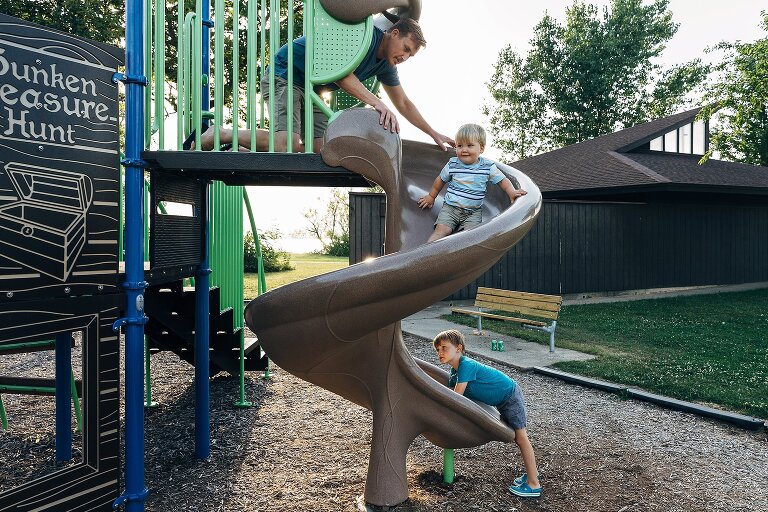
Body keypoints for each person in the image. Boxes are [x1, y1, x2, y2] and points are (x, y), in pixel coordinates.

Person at [192, 17, 454, 153]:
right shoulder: (362, 36)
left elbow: (404, 103)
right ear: (393, 33)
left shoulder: (386, 65)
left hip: (315, 89)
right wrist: (377, 102)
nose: (405, 57)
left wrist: (433, 133)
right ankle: (220, 133)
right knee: (287, 143)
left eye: (410, 56)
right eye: (405, 49)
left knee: (320, 148)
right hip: (287, 74)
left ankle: (244, 145)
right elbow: (341, 74)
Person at [433, 329, 542, 498]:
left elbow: (455, 398)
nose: (440, 352)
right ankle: (532, 472)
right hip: (501, 401)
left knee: (521, 438)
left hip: (510, 396)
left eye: (444, 348)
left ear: (459, 348)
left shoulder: (466, 365)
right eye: (437, 349)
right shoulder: (454, 374)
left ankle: (534, 484)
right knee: (517, 438)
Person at [417, 123, 527, 242]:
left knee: (470, 238)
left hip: (473, 212)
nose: (464, 150)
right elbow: (440, 180)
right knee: (441, 231)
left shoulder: (487, 166)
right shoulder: (453, 164)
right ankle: (427, 254)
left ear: (481, 148)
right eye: (460, 145)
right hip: (450, 208)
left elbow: (502, 181)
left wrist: (512, 192)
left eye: (469, 145)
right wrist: (431, 196)